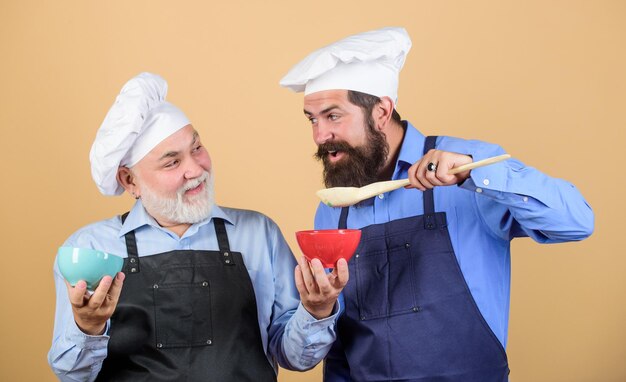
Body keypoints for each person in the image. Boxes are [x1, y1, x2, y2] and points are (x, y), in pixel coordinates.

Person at [280, 27, 594, 381]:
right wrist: (318, 310)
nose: (320, 136)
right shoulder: (333, 209)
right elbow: (335, 346)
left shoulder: (470, 167)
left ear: (382, 111)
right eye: (312, 119)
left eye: (333, 116)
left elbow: (577, 222)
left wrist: (474, 178)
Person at [48, 72, 348, 382]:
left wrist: (316, 311)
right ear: (129, 180)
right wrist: (88, 328)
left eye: (197, 148)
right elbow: (73, 375)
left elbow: (296, 359)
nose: (195, 169)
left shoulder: (259, 233)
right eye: (172, 162)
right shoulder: (91, 249)